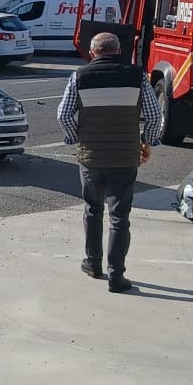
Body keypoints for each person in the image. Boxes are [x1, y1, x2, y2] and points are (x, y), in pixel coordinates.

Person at [56, 31, 164, 293]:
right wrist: (147, 143)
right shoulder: (137, 76)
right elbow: (153, 115)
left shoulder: (79, 77)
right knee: (120, 217)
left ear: (92, 53)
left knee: (93, 210)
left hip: (91, 157)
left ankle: (93, 264)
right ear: (118, 50)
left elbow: (63, 115)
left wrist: (76, 137)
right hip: (125, 157)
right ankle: (117, 275)